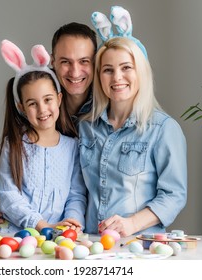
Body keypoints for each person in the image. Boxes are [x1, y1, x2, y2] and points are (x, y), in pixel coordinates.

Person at [0, 22, 97, 232]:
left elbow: (77, 194)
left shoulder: (105, 112)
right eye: (65, 61)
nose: (75, 70)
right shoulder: (37, 83)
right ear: (52, 61)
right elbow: (10, 188)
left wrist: (71, 225)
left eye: (84, 61)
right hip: (21, 232)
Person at [80, 6, 187, 237]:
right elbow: (78, 191)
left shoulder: (164, 129)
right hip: (91, 245)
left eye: (126, 67)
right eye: (108, 70)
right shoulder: (86, 127)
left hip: (140, 245)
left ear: (141, 72)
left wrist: (132, 224)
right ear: (99, 77)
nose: (117, 77)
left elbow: (174, 194)